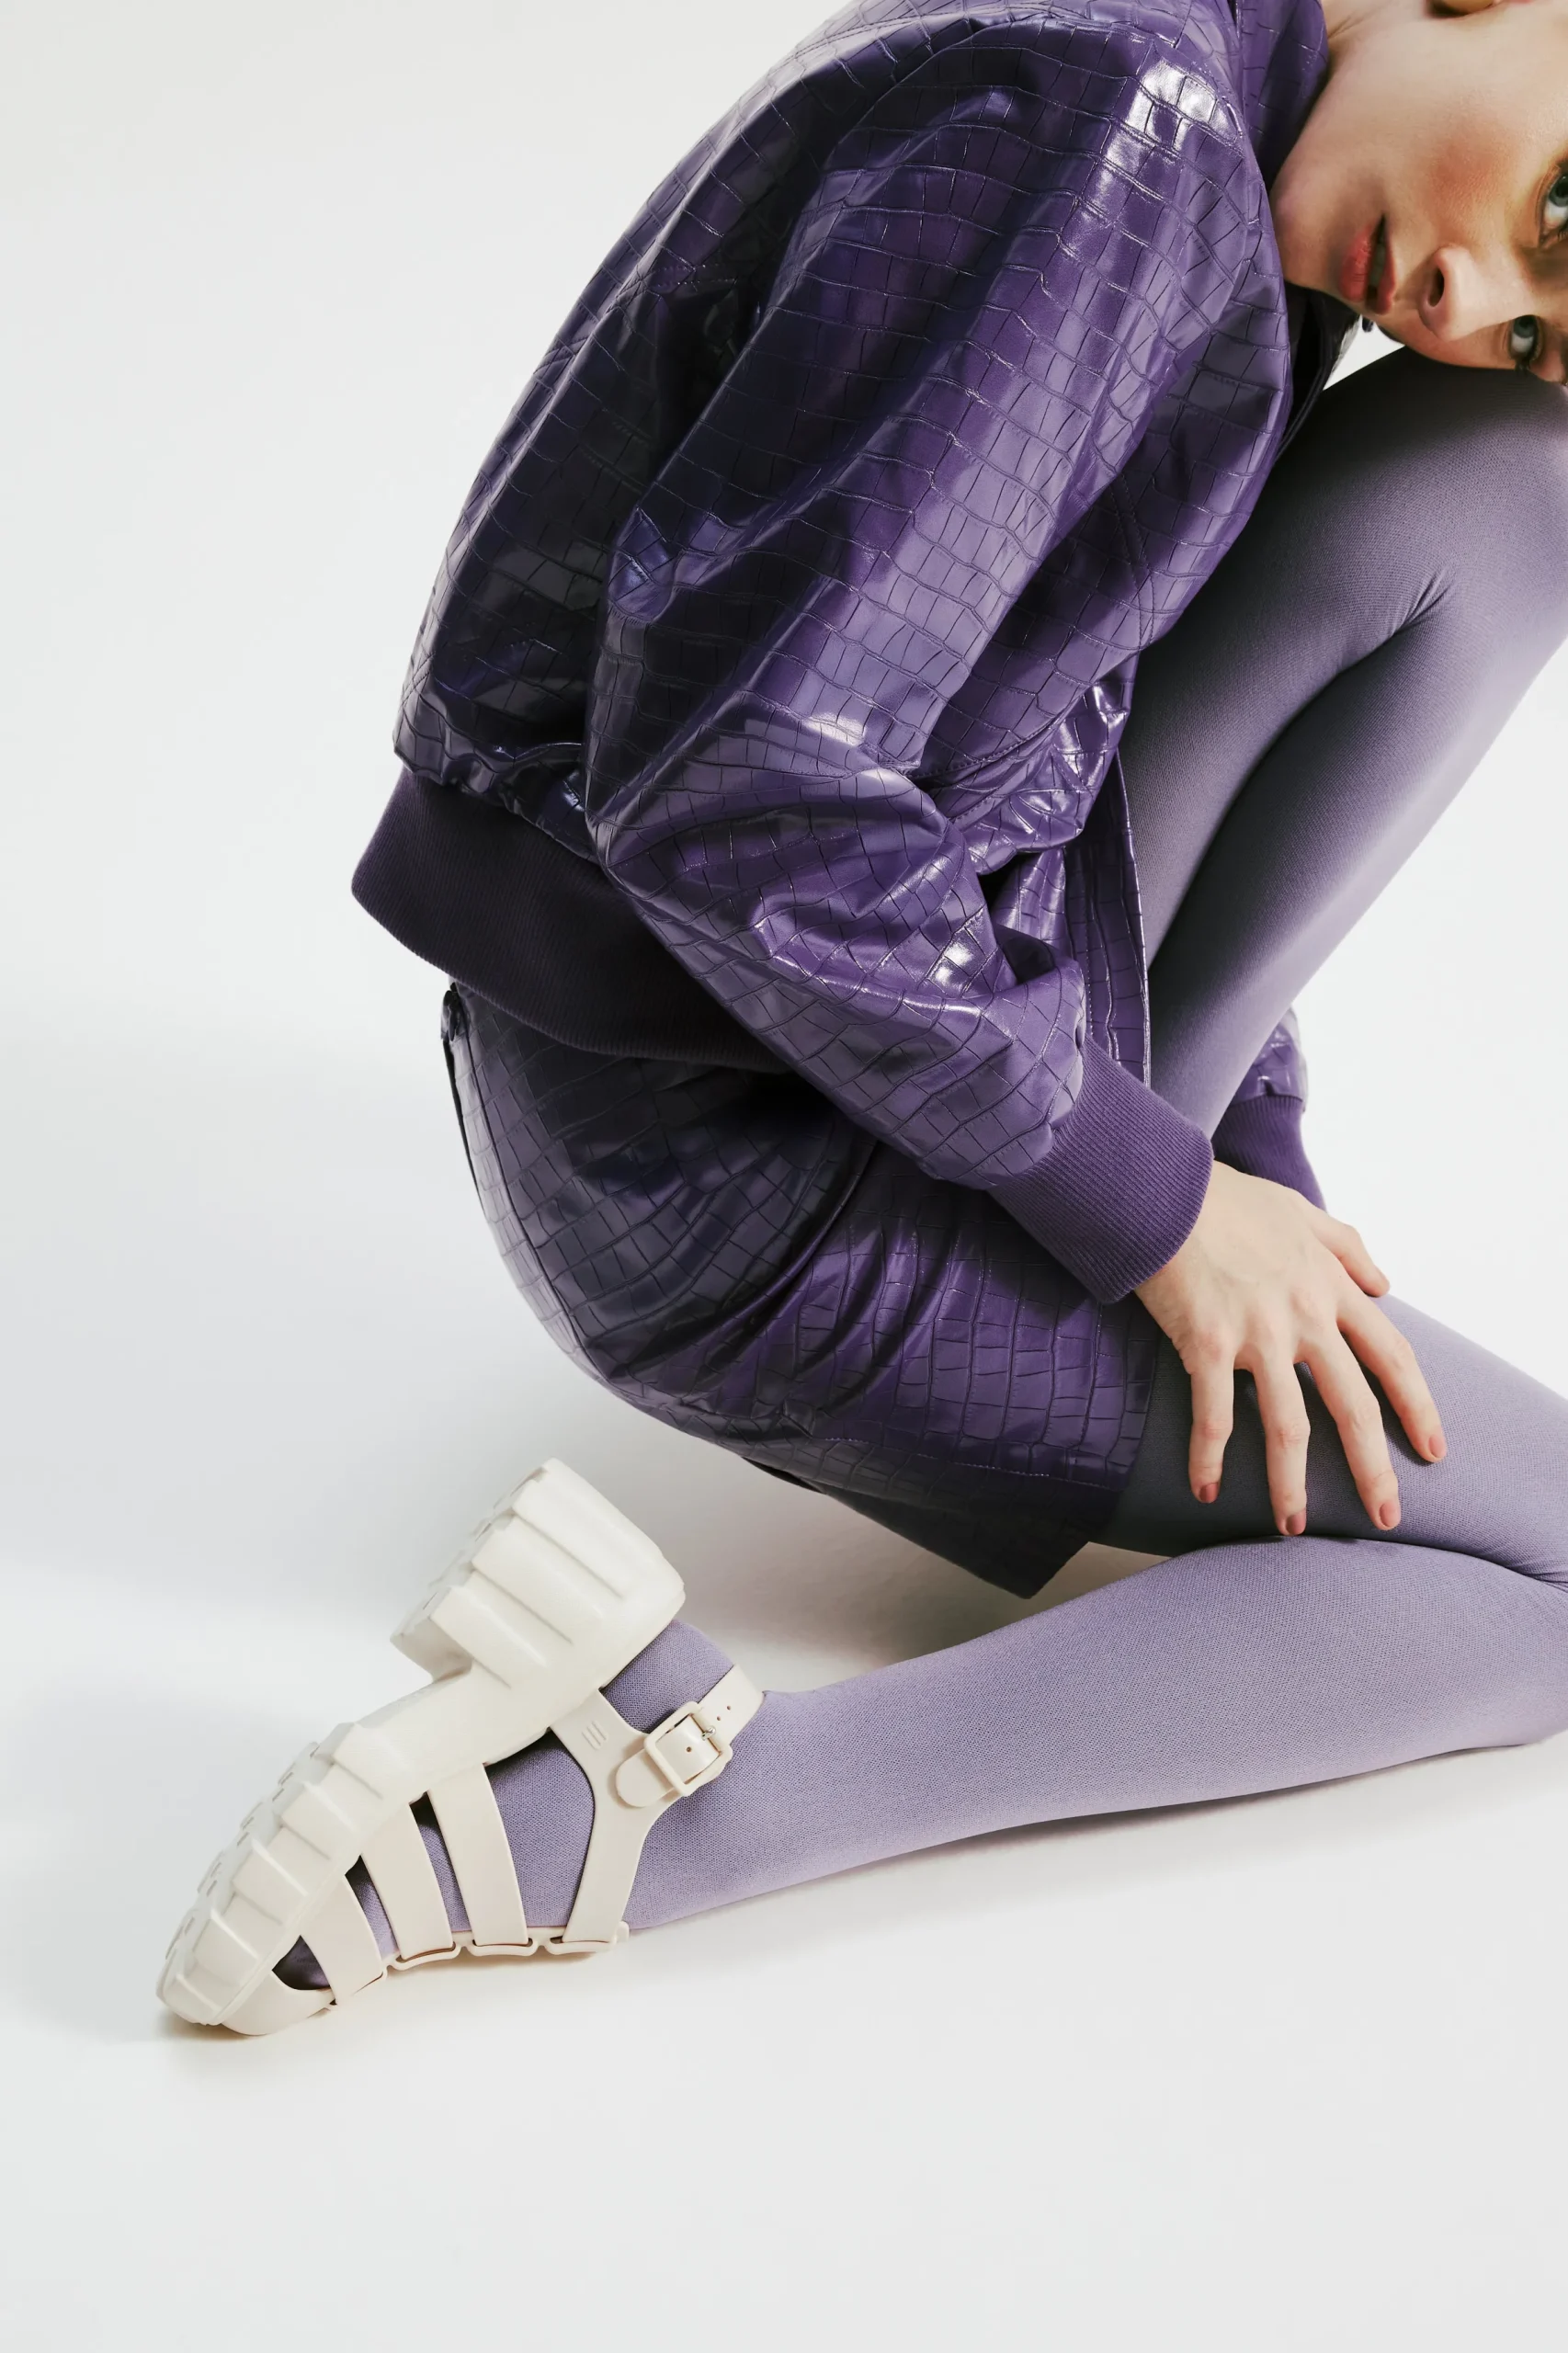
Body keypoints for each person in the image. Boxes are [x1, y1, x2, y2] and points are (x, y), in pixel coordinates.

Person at [161, 0, 1568, 2034]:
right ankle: (671, 1805)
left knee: (1514, 469)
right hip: (728, 1143)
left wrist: (1244, 1173)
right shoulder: (1130, 130)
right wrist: (1150, 1205)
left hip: (766, 1040)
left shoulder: (1181, 94)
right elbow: (738, 786)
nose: (1468, 304)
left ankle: (1137, 1202)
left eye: (1531, 325)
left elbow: (1061, 728)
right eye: (1554, 217)